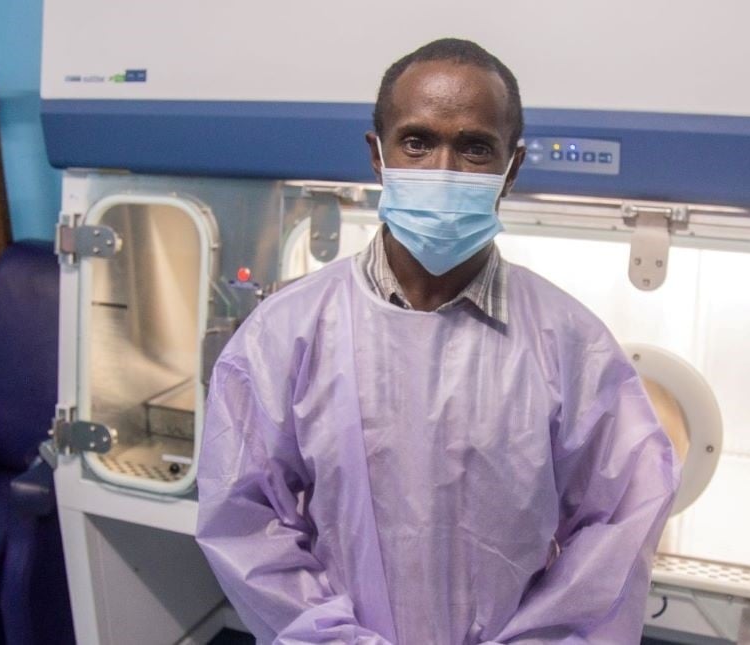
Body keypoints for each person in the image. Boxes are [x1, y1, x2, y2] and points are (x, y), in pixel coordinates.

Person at [196, 38, 680, 644]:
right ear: (378, 155)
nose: (443, 170)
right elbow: (244, 521)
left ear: (511, 168)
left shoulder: (570, 346)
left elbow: (622, 521)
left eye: (475, 148)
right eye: (417, 142)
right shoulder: (286, 334)